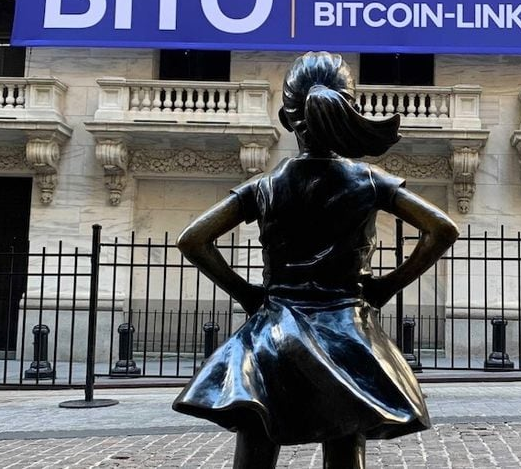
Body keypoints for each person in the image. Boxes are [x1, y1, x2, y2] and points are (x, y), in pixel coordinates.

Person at [173, 51, 460, 469]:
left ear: (286, 119)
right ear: (349, 110)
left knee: (255, 444)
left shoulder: (265, 185)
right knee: (344, 446)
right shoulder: (368, 180)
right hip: (346, 331)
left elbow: (193, 240)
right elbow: (442, 229)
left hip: (273, 332)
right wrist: (386, 286)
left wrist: (247, 294)